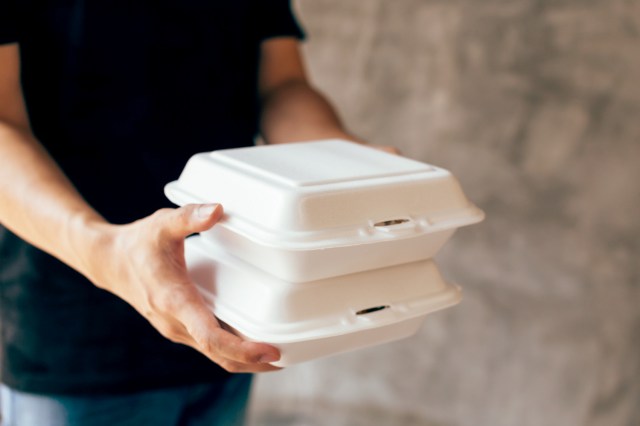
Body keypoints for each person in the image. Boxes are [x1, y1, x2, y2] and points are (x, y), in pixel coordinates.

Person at [0, 1, 376, 424]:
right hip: (71, 337)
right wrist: (103, 250)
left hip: (228, 314)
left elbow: (281, 82)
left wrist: (342, 160)